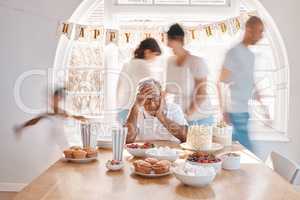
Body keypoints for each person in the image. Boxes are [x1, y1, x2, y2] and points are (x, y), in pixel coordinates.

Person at [218, 16, 269, 151]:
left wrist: (263, 106)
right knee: (248, 152)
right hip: (234, 111)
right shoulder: (234, 52)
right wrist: (223, 110)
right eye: (260, 31)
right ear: (249, 30)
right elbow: (221, 82)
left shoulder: (250, 55)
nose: (262, 36)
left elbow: (250, 83)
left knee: (239, 152)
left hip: (244, 111)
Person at [165, 23, 214, 126]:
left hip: (200, 117)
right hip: (182, 117)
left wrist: (187, 113)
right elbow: (168, 89)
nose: (168, 45)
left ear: (179, 40)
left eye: (169, 41)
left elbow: (201, 92)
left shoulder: (196, 62)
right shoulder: (170, 62)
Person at [125, 78, 188, 143]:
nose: (152, 104)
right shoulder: (135, 111)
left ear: (162, 95)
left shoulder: (174, 108)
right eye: (147, 99)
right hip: (144, 152)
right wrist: (135, 106)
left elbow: (186, 137)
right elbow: (127, 139)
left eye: (155, 97)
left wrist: (161, 117)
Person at [117, 38, 164, 124]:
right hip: (133, 106)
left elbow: (118, 85)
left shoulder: (127, 63)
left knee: (123, 134)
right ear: (147, 52)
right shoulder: (143, 65)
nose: (155, 58)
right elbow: (153, 88)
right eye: (155, 55)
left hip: (121, 106)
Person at [14, 87, 86, 133]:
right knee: (41, 117)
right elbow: (38, 119)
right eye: (59, 97)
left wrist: (77, 117)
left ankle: (20, 127)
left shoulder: (58, 106)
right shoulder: (51, 106)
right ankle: (20, 127)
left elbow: (62, 113)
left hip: (55, 124)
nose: (59, 99)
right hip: (51, 122)